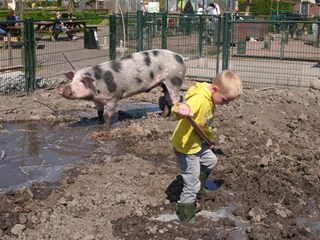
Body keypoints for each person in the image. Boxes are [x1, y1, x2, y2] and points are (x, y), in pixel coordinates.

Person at [170, 70, 243, 223]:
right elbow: (177, 109)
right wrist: (182, 108)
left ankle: (200, 189)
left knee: (211, 160)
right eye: (225, 100)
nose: (226, 104)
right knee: (191, 183)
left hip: (197, 142)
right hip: (186, 147)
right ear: (215, 89)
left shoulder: (211, 99)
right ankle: (186, 215)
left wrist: (210, 141)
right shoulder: (199, 99)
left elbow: (206, 126)